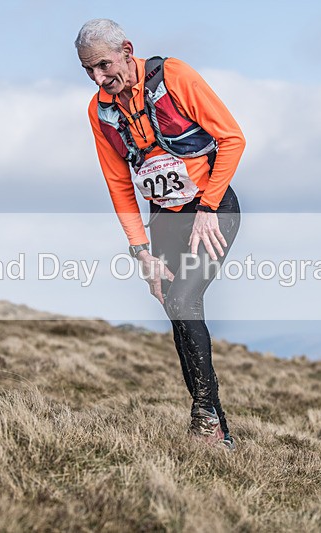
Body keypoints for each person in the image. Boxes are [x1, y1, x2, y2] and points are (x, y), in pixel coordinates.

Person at [75, 19, 245, 450]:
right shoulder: (100, 112)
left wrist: (207, 207)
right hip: (165, 220)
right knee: (175, 306)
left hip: (213, 211)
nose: (99, 78)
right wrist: (141, 252)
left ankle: (205, 419)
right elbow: (119, 185)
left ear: (127, 50)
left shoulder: (175, 76)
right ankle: (216, 429)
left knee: (185, 298)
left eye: (103, 65)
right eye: (88, 70)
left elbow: (232, 139)